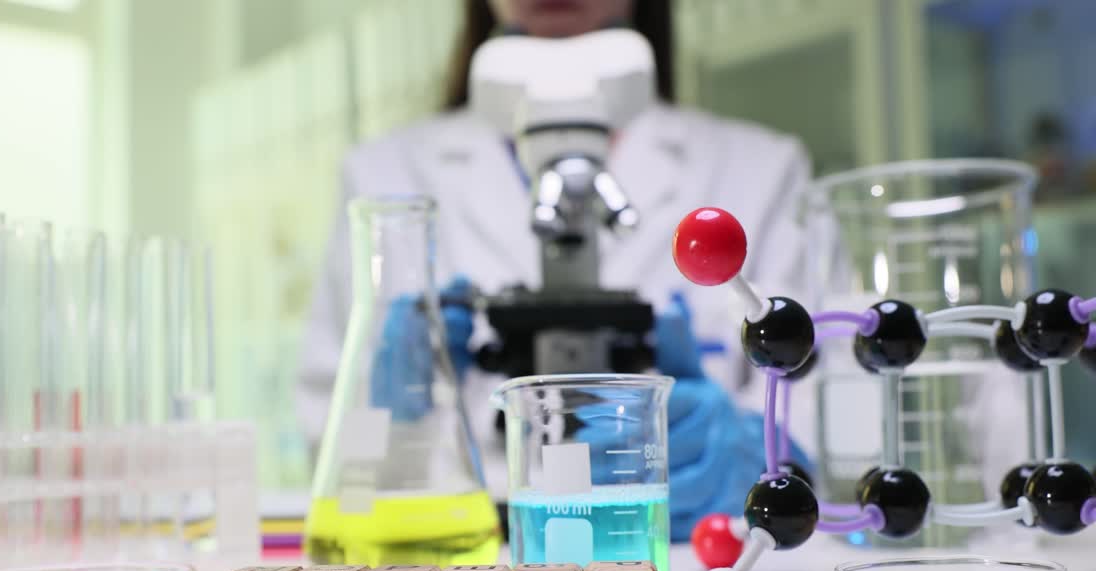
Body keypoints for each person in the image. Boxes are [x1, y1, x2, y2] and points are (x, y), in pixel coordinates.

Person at [298, 0, 814, 540]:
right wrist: (393, 415)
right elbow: (326, 441)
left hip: (685, 552)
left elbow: (825, 402)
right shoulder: (382, 173)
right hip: (464, 556)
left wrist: (770, 455)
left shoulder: (761, 169)